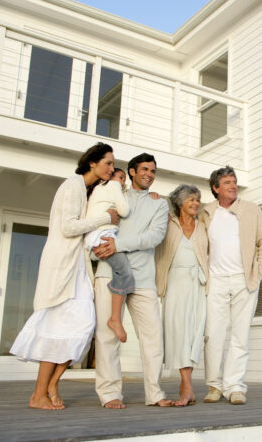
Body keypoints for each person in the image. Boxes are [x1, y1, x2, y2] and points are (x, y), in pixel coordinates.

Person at [10, 142, 120, 410]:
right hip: (62, 266)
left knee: (83, 326)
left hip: (78, 267)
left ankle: (51, 384)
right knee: (56, 329)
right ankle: (39, 394)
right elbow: (69, 227)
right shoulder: (72, 185)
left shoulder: (86, 190)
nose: (111, 168)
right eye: (107, 162)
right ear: (92, 162)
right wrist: (105, 218)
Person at [92, 153, 173, 409]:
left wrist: (119, 244)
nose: (149, 174)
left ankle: (155, 394)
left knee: (152, 337)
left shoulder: (159, 204)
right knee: (106, 336)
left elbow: (154, 237)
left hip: (143, 278)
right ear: (132, 171)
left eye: (153, 171)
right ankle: (109, 394)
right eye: (145, 169)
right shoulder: (115, 195)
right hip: (109, 272)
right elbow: (100, 226)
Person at [200, 166, 262, 405]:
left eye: (234, 181)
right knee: (213, 335)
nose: (233, 186)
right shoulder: (206, 213)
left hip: (244, 280)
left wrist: (257, 273)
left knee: (240, 335)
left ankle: (235, 387)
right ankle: (214, 385)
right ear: (216, 188)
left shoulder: (251, 210)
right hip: (216, 281)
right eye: (227, 182)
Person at [154, 184, 209, 407]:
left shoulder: (204, 225)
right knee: (178, 333)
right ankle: (187, 386)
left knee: (195, 333)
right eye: (191, 200)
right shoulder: (167, 224)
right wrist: (154, 200)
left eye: (197, 200)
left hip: (198, 283)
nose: (195, 203)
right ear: (179, 203)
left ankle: (186, 386)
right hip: (175, 283)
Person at [84, 168, 133, 343]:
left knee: (121, 270)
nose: (122, 182)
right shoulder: (112, 186)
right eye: (120, 177)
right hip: (103, 235)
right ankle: (115, 318)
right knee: (124, 271)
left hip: (95, 236)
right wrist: (121, 193)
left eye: (123, 179)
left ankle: (114, 318)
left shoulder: (96, 190)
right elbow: (125, 210)